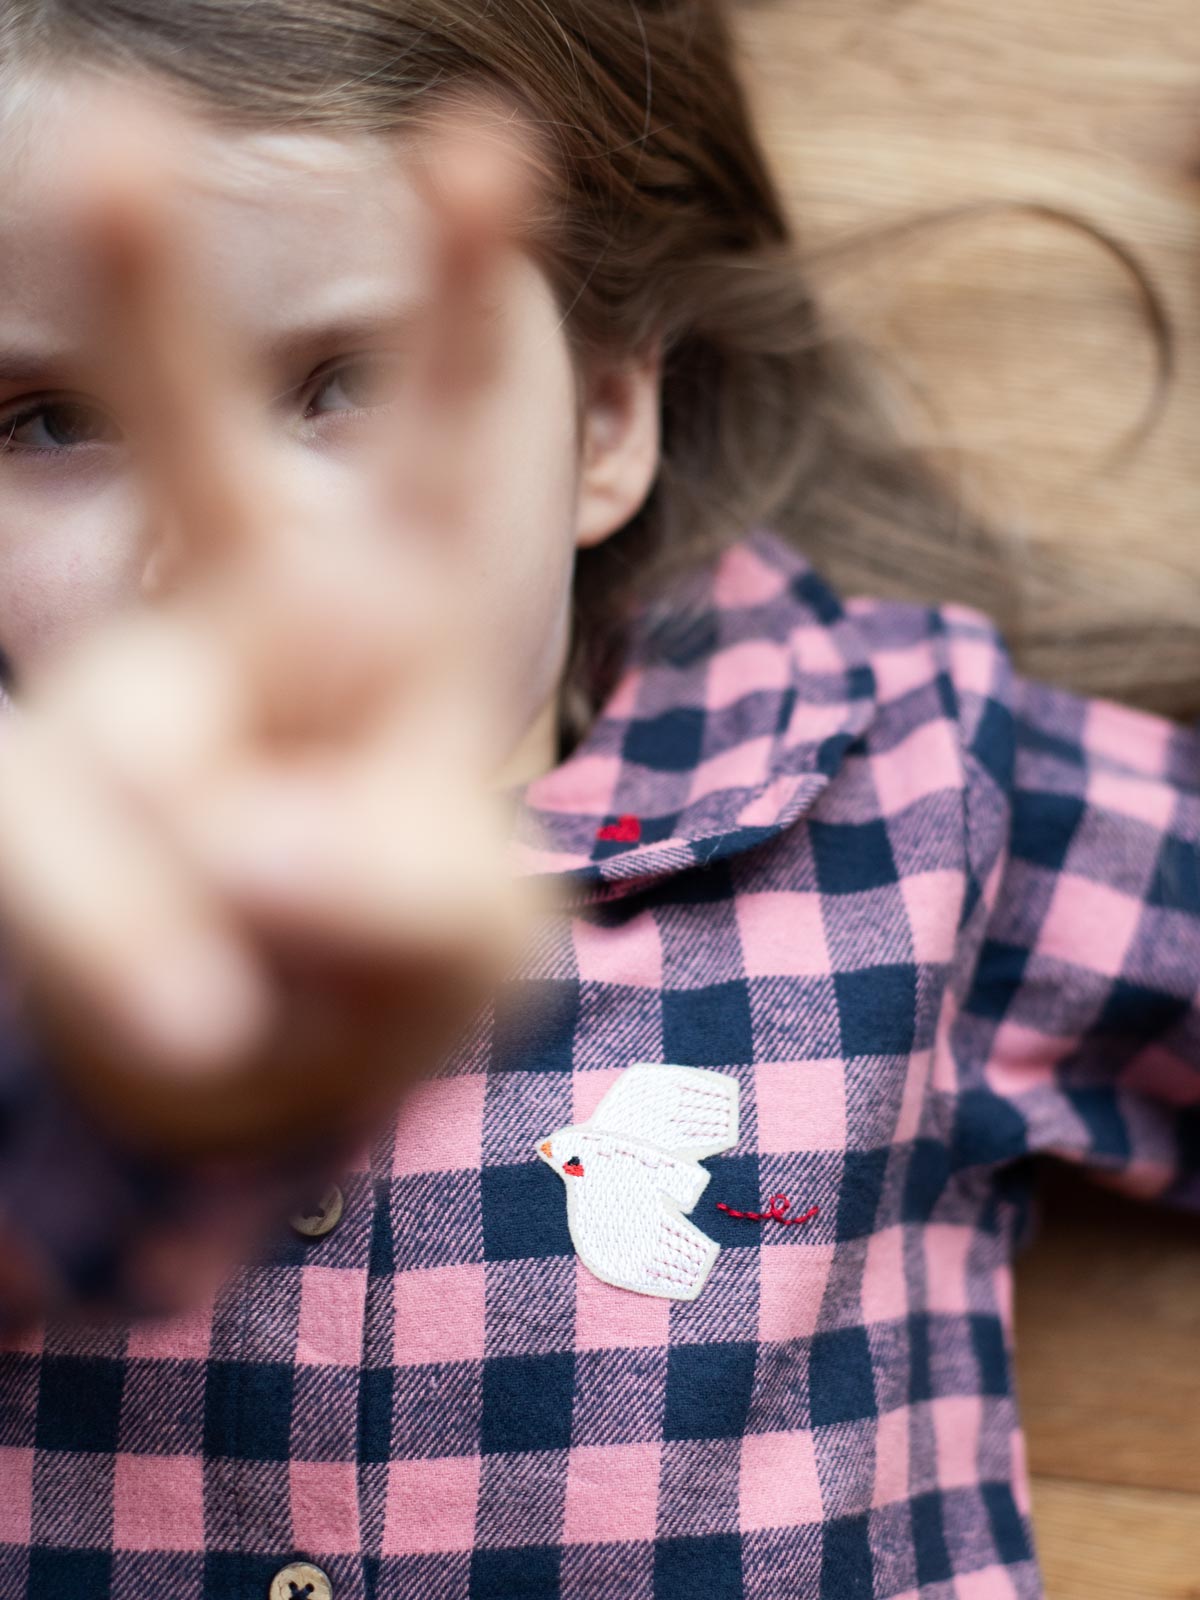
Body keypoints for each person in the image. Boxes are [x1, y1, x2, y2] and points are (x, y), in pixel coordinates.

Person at [0, 4, 1196, 1598]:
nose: (223, 556)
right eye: (54, 422)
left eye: (349, 383)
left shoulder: (904, 779)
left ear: (608, 422)